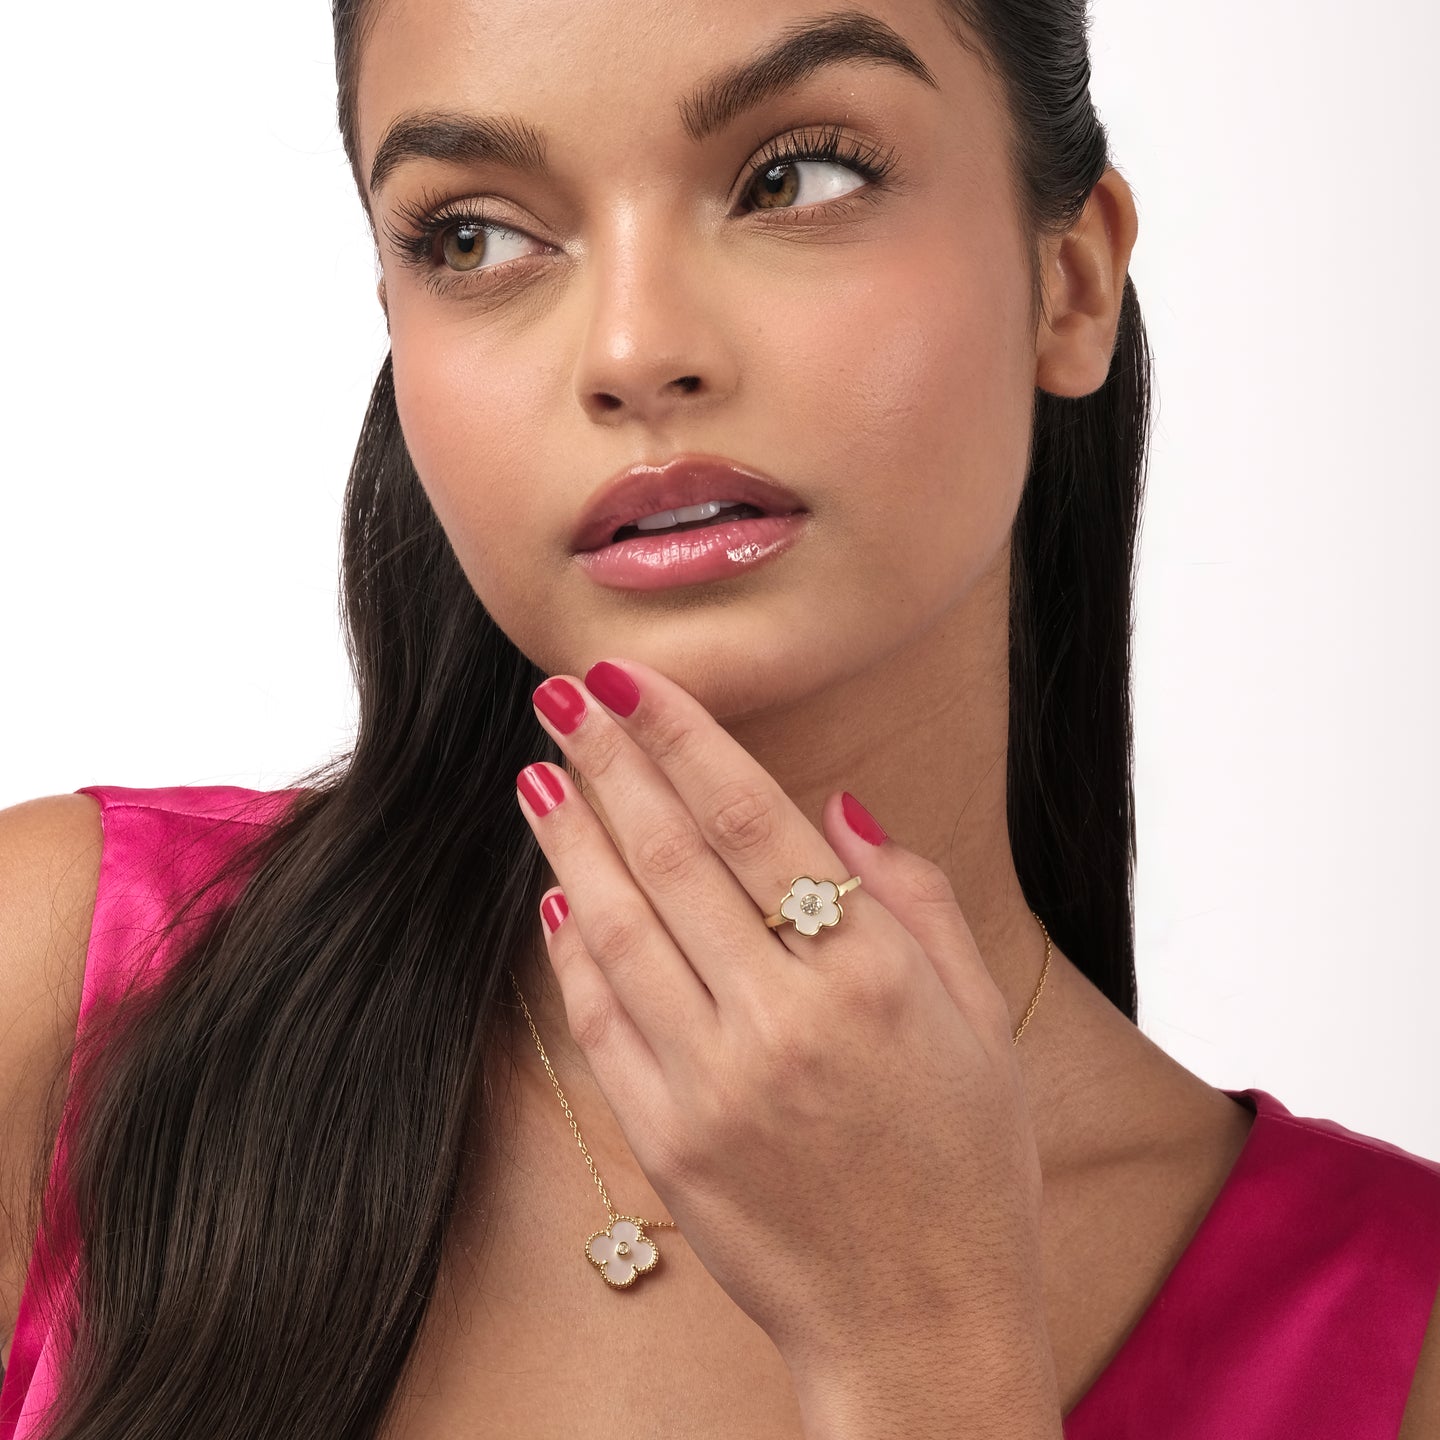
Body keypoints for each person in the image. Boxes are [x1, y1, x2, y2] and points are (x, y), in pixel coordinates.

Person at [2, 1, 1437, 1436]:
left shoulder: (1396, 1330)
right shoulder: (68, 1000)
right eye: (476, 238)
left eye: (795, 177)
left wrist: (926, 1351)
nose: (634, 349)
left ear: (1069, 283)